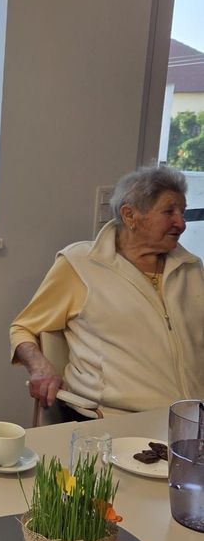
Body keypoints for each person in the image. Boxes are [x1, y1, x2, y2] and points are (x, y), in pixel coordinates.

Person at [11, 166, 204, 415]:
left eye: (183, 212)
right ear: (130, 215)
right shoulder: (80, 264)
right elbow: (23, 328)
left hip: (190, 419)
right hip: (111, 419)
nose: (181, 223)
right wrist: (41, 368)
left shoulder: (191, 268)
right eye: (169, 212)